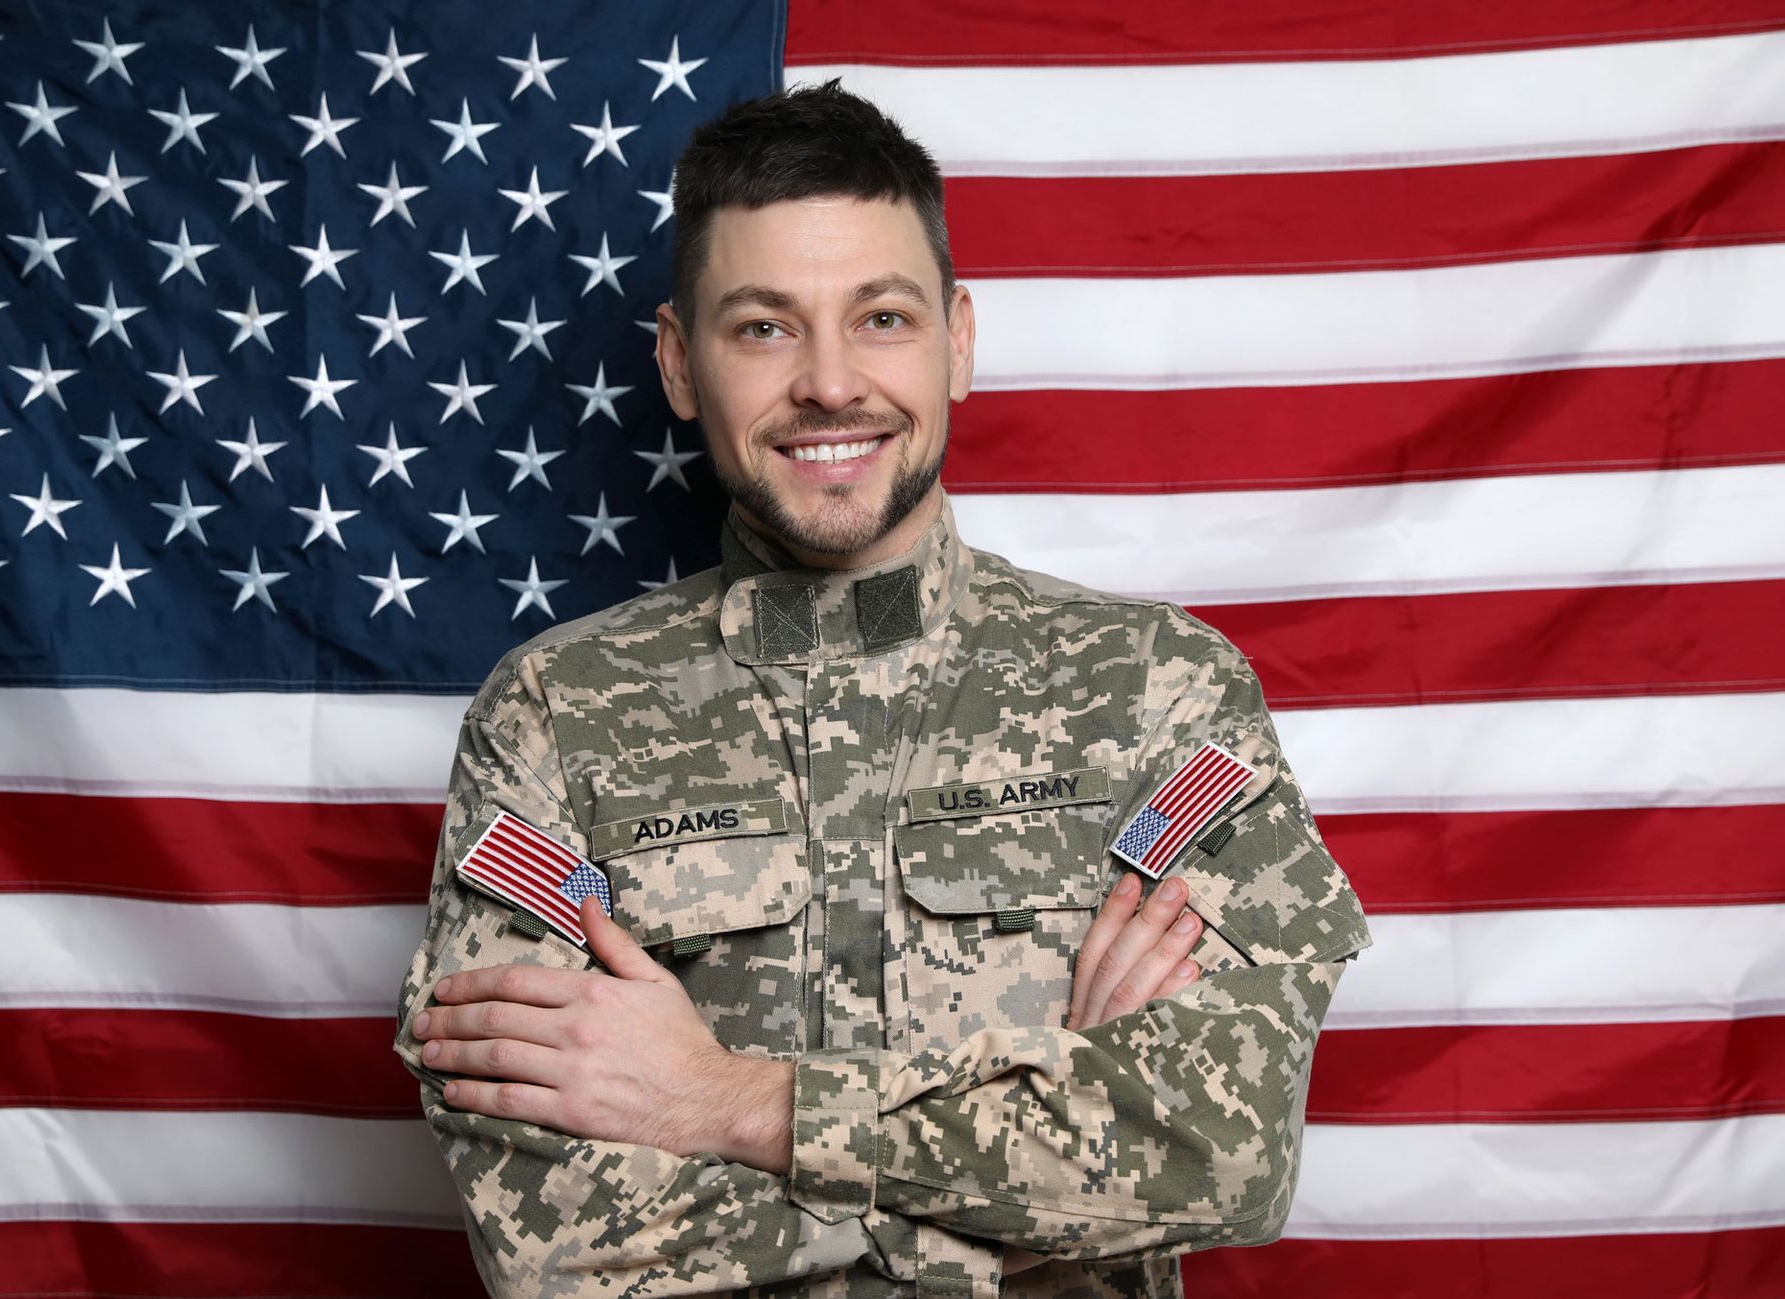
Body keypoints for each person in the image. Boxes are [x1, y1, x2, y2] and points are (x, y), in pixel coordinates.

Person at [393, 79, 1371, 1298]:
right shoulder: (550, 717)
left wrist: (728, 1101)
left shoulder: (1157, 694)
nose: (831, 384)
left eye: (884, 318)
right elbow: (549, 1231)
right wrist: (1029, 1196)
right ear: (679, 363)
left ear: (958, 340)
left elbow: (1220, 1156)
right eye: (762, 327)